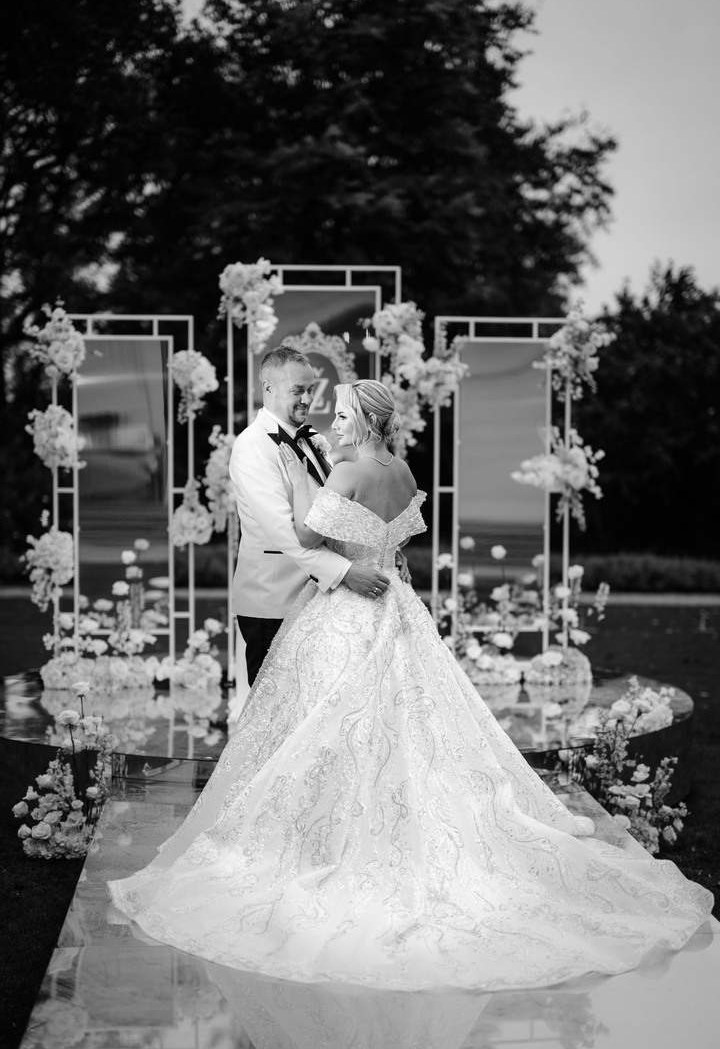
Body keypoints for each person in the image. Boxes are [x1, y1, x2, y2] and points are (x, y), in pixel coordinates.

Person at [108, 380, 713, 993]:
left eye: (342, 415)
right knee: (407, 723)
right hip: (396, 605)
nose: (332, 424)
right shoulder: (399, 470)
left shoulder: (344, 475)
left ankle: (329, 841)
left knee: (330, 725)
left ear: (366, 420)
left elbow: (308, 537)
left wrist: (303, 483)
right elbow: (393, 547)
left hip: (347, 613)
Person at [228, 346, 390, 685]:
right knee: (271, 711)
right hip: (274, 600)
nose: (307, 399)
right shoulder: (252, 447)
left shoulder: (313, 439)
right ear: (268, 388)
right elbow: (283, 532)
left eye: (309, 390)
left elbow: (333, 511)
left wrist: (378, 545)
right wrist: (346, 572)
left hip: (317, 597)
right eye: (297, 390)